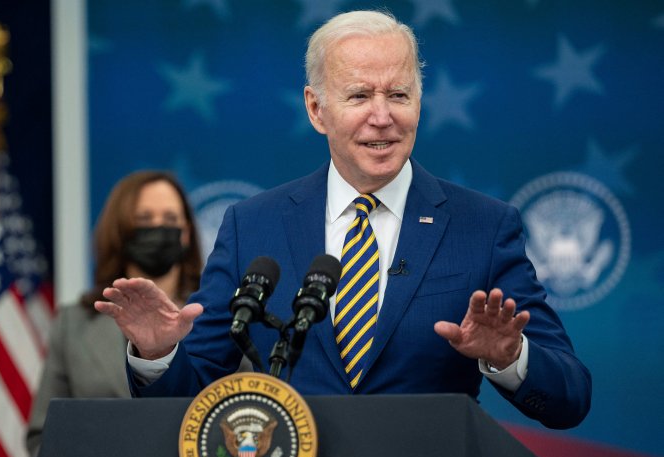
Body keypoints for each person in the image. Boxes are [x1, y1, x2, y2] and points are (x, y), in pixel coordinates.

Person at [95, 11, 591, 432]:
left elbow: (570, 396)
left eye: (398, 95)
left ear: (419, 102)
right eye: (359, 97)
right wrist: (158, 354)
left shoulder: (482, 226)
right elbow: (192, 393)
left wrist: (510, 357)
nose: (382, 117)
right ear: (317, 109)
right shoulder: (253, 225)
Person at [25, 170, 204, 457]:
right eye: (145, 220)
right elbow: (43, 437)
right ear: (121, 231)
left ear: (186, 234)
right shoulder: (73, 323)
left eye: (170, 220)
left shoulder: (219, 319)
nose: (159, 229)